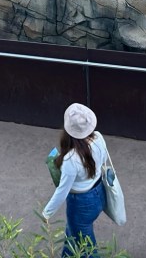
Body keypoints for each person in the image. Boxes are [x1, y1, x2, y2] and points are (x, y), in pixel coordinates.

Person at [43, 103, 109, 257]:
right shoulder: (99, 138)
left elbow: (62, 191)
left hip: (81, 204)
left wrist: (46, 213)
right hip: (99, 194)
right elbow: (104, 158)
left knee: (88, 249)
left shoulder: (70, 159)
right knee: (73, 233)